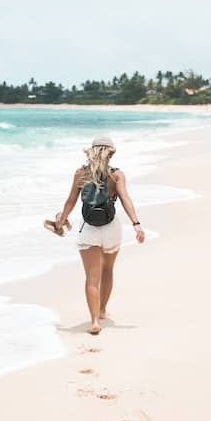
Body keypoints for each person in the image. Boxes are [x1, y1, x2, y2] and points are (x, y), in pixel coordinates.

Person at [54, 136, 145, 335]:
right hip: (111, 228)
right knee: (108, 270)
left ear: (90, 152)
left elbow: (70, 202)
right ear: (110, 153)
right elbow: (125, 198)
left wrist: (61, 221)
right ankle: (103, 310)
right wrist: (136, 225)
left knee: (91, 278)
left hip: (89, 229)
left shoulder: (80, 173)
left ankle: (94, 321)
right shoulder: (117, 175)